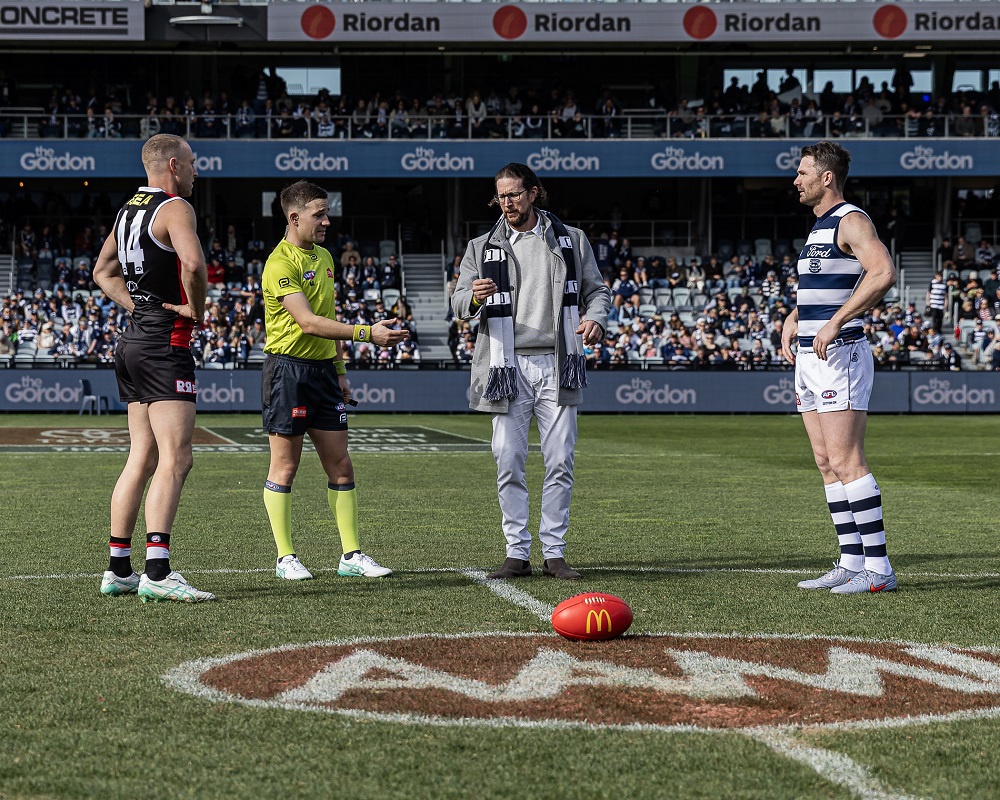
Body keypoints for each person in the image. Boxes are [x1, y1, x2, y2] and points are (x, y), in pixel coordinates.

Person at [451, 163, 611, 580]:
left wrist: (596, 318)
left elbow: (597, 291)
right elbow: (458, 304)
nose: (507, 204)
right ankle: (516, 550)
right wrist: (473, 297)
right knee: (508, 460)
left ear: (534, 193)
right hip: (505, 365)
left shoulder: (571, 239)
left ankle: (554, 551)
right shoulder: (481, 245)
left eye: (514, 195)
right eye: (501, 197)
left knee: (560, 460)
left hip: (559, 362)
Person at [260, 180, 408, 581]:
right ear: (294, 217)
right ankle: (285, 557)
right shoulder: (279, 264)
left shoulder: (325, 256)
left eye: (327, 213)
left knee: (341, 465)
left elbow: (327, 314)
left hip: (324, 372)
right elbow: (308, 322)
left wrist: (340, 372)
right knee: (285, 467)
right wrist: (367, 333)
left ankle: (351, 555)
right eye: (319, 214)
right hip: (287, 372)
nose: (327, 221)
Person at [91, 133, 215, 603]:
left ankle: (118, 568)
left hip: (135, 339)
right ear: (172, 165)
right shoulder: (175, 207)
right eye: (192, 162)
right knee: (176, 458)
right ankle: (158, 571)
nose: (196, 171)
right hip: (165, 343)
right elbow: (193, 265)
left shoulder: (127, 211)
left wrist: (140, 306)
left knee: (141, 455)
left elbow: (102, 270)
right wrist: (195, 310)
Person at [781, 141, 898, 594]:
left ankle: (879, 570)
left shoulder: (851, 219)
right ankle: (851, 562)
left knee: (848, 461)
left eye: (803, 172)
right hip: (810, 356)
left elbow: (882, 272)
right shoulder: (817, 228)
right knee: (826, 462)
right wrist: (794, 319)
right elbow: (823, 288)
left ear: (826, 178)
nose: (797, 180)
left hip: (839, 353)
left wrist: (835, 322)